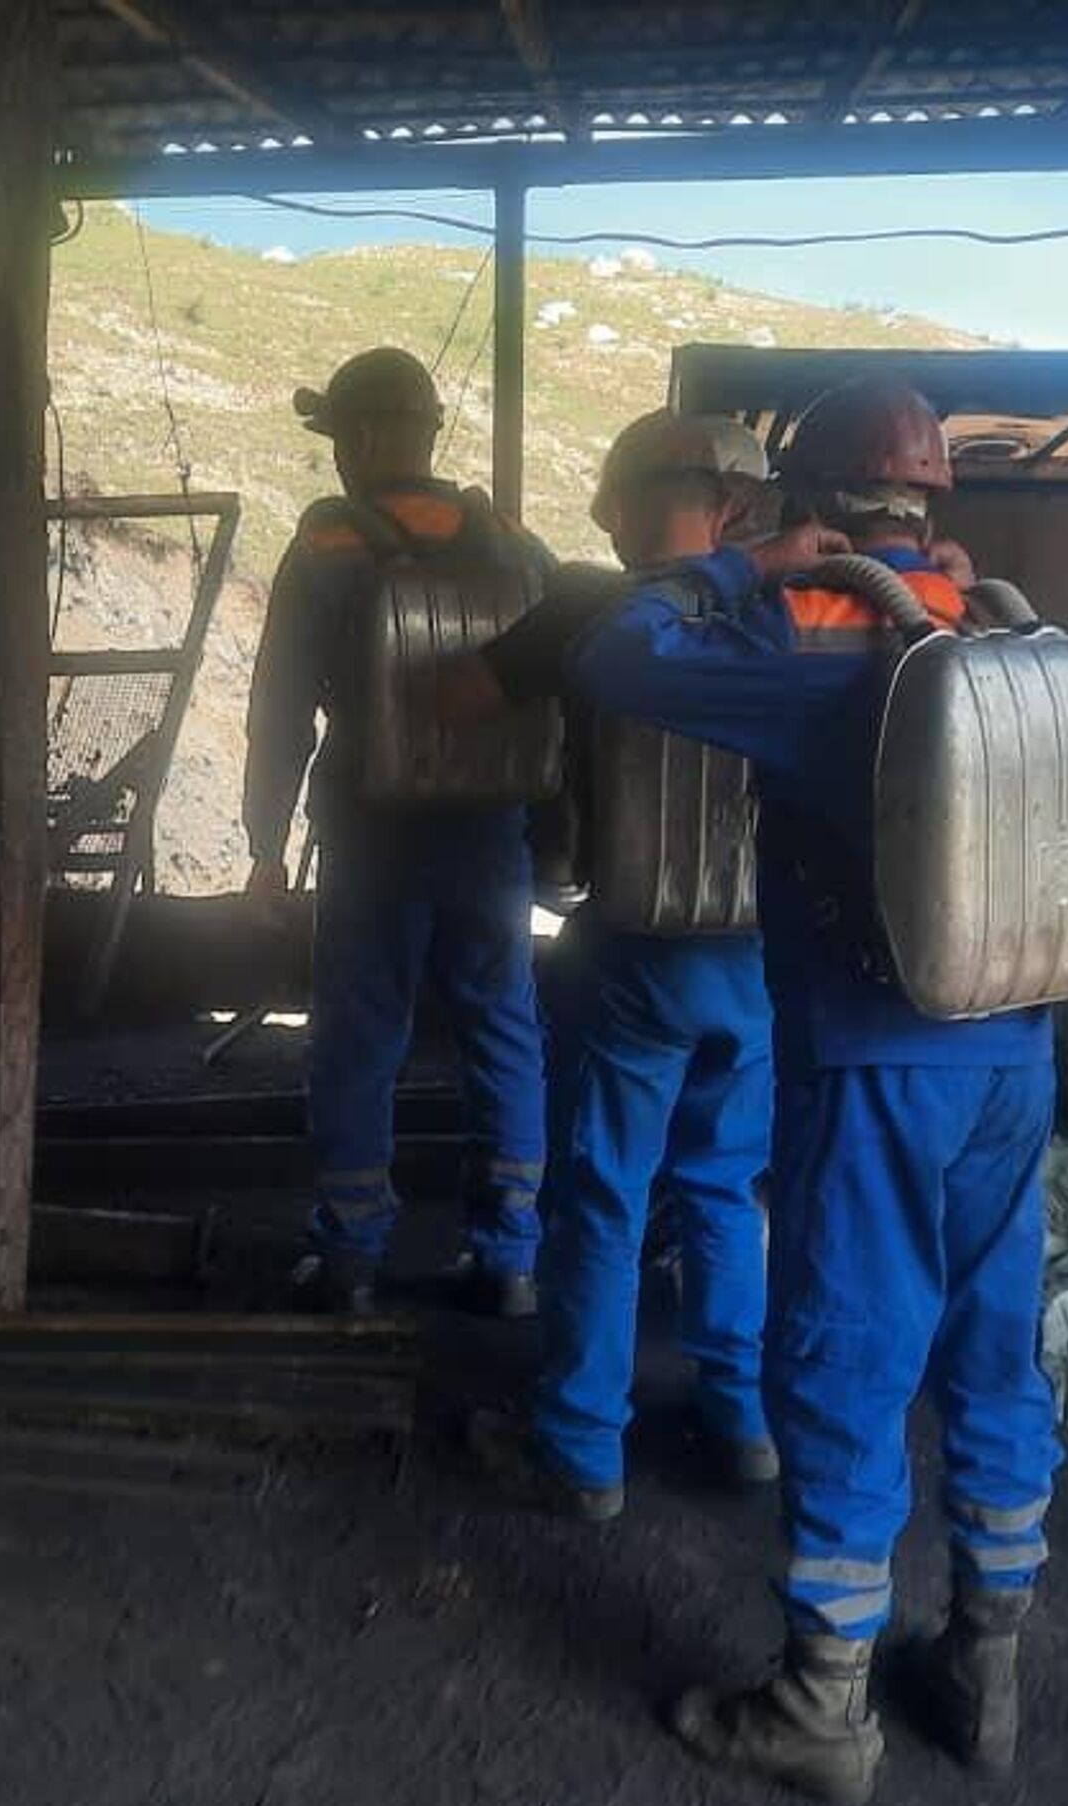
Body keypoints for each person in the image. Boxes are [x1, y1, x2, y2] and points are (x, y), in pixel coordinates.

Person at [479, 380, 1058, 1806]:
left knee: (848, 1351)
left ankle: (821, 1702)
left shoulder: (814, 633)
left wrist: (747, 568)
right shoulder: (997, 623)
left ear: (811, 504)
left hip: (878, 1056)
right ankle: (983, 1666)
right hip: (1017, 1055)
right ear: (929, 501)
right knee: (993, 1353)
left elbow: (614, 652)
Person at [463, 412, 780, 1520]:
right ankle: (741, 1420)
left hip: (638, 949)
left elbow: (460, 698)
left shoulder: (602, 613)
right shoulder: (796, 612)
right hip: (758, 957)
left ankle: (581, 1446)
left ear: (635, 501)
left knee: (604, 1194)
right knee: (725, 1187)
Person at [244, 346, 548, 1317]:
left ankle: (351, 1253)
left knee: (360, 1034)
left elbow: (281, 705)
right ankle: (509, 1257)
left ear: (370, 436)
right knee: (502, 1028)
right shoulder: (509, 539)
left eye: (340, 436)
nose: (337, 456)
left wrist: (264, 843)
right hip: (491, 827)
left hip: (373, 828)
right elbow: (560, 665)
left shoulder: (328, 544)